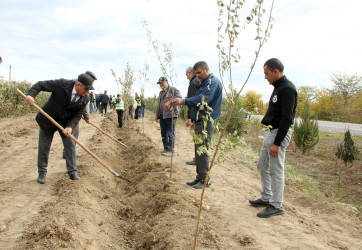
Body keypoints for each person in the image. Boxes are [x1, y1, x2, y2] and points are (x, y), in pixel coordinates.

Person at [249, 58, 298, 218]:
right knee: (262, 165)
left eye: (267, 73)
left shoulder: (287, 89)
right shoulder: (278, 88)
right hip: (270, 133)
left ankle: (276, 205)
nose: (265, 77)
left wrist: (277, 143)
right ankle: (266, 197)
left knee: (276, 170)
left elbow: (287, 118)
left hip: (278, 134)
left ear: (276, 71)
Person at [25, 73, 94, 184]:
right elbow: (40, 84)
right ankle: (42, 172)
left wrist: (70, 127)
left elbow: (77, 116)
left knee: (70, 146)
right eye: (86, 89)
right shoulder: (61, 84)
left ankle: (72, 172)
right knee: (44, 147)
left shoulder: (85, 98)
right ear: (77, 85)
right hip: (48, 119)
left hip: (65, 123)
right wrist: (31, 95)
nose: (87, 92)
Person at [170, 61, 222, 189]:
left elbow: (202, 100)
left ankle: (205, 181)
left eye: (199, 72)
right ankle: (199, 177)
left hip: (207, 121)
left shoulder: (212, 82)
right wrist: (194, 119)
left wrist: (183, 101)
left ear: (206, 69)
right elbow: (197, 103)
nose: (197, 75)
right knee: (198, 151)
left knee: (202, 151)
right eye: (196, 73)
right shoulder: (203, 83)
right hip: (200, 121)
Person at [62, 71, 97, 159]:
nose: (92, 83)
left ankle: (67, 152)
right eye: (92, 80)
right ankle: (69, 154)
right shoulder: (81, 86)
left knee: (72, 133)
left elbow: (83, 105)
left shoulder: (81, 85)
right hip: (71, 115)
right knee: (74, 133)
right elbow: (83, 106)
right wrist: (86, 117)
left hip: (72, 113)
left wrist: (86, 117)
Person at [155, 77, 182, 157]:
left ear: (167, 82)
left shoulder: (173, 90)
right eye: (159, 83)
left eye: (162, 83)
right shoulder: (161, 93)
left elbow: (179, 98)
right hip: (162, 116)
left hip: (171, 115)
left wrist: (170, 102)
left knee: (170, 133)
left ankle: (171, 150)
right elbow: (159, 105)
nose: (161, 84)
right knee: (163, 132)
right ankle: (166, 148)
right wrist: (157, 115)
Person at [185, 66, 201, 166]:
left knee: (198, 138)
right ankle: (198, 159)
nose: (186, 77)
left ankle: (198, 160)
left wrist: (189, 117)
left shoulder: (193, 83)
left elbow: (191, 101)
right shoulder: (199, 82)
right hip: (201, 114)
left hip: (197, 115)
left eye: (186, 75)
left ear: (191, 73)